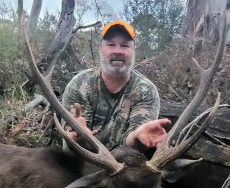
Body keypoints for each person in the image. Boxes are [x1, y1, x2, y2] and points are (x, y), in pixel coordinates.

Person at [62, 19, 171, 152]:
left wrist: (137, 136)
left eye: (125, 46)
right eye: (111, 44)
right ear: (100, 49)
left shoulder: (146, 90)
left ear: (134, 51)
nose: (118, 51)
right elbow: (70, 146)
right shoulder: (79, 84)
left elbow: (133, 144)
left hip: (123, 166)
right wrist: (78, 137)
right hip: (81, 165)